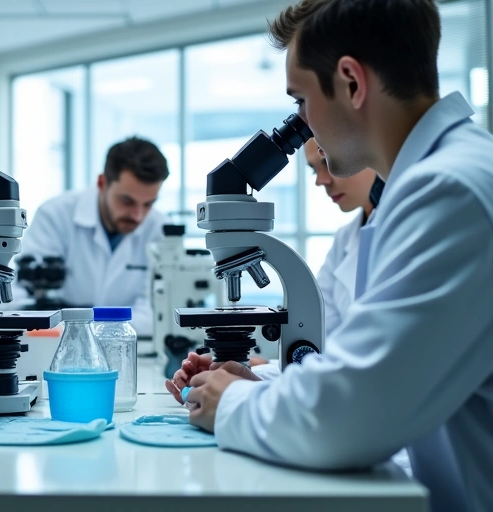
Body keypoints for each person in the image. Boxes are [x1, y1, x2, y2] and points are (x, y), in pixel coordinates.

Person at [170, 1, 493, 510]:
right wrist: (262, 385)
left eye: (301, 100)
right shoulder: (434, 181)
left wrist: (231, 402)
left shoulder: (449, 191)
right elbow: (366, 366)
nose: (302, 122)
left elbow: (353, 415)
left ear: (350, 81)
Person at [13, 136, 169, 337]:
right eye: (127, 201)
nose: (138, 215)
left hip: (128, 348)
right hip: (56, 347)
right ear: (102, 183)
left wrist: (82, 329)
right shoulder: (55, 215)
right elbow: (21, 299)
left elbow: (154, 313)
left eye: (148, 204)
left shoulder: (159, 229)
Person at [306, 137, 379, 336]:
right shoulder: (344, 239)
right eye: (314, 169)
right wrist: (270, 367)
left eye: (329, 163)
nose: (320, 180)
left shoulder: (406, 225)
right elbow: (322, 333)